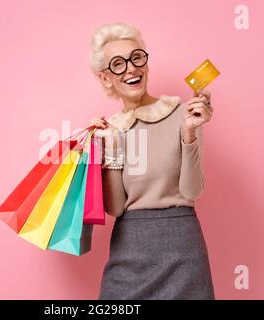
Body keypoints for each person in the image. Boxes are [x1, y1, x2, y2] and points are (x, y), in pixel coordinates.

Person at [88, 22, 215, 299]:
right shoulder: (109, 129)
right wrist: (112, 149)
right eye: (118, 64)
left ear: (145, 63)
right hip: (129, 250)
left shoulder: (183, 113)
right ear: (106, 78)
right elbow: (116, 208)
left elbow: (192, 191)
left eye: (137, 58)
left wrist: (189, 134)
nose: (131, 68)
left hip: (182, 248)